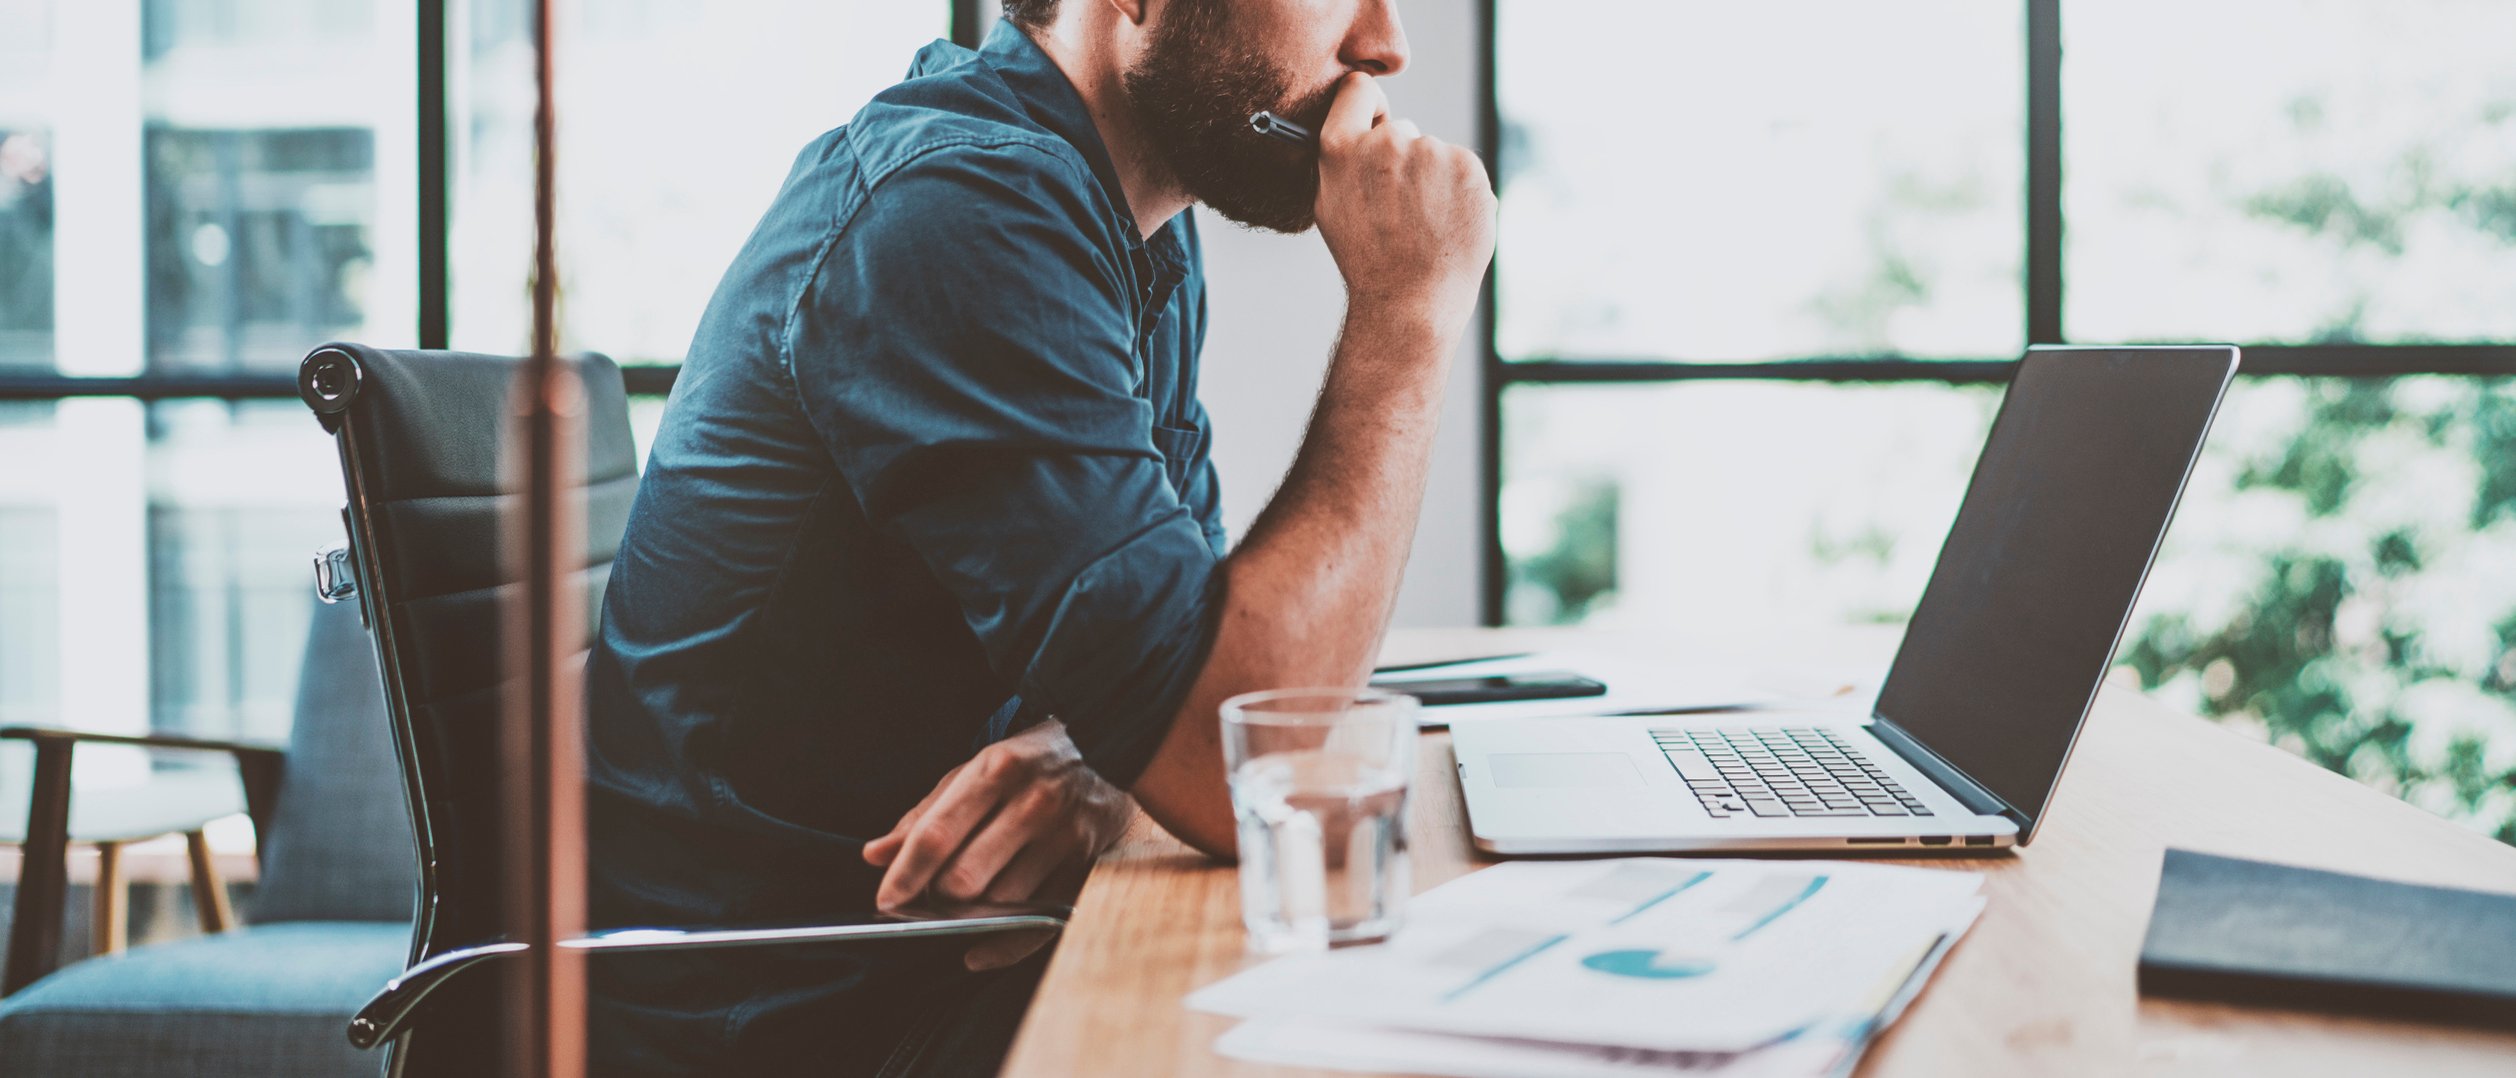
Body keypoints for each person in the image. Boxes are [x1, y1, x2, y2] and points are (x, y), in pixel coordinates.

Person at [584, 0, 1493, 1072]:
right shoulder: (961, 208)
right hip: (796, 1021)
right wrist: (1404, 315)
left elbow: (1186, 650)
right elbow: (1239, 755)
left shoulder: (1130, 225)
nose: (1384, 46)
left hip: (942, 964)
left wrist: (1096, 760)